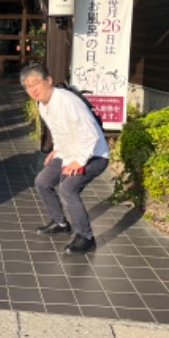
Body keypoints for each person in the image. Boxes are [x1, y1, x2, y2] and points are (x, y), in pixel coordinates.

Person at [20, 63, 109, 254]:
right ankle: (60, 223)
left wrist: (79, 161)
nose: (33, 89)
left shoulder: (67, 101)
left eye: (36, 82)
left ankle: (86, 237)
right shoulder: (43, 104)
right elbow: (59, 130)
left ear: (48, 81)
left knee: (68, 189)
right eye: (28, 86)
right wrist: (57, 150)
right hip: (68, 153)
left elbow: (91, 134)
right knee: (42, 182)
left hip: (93, 155)